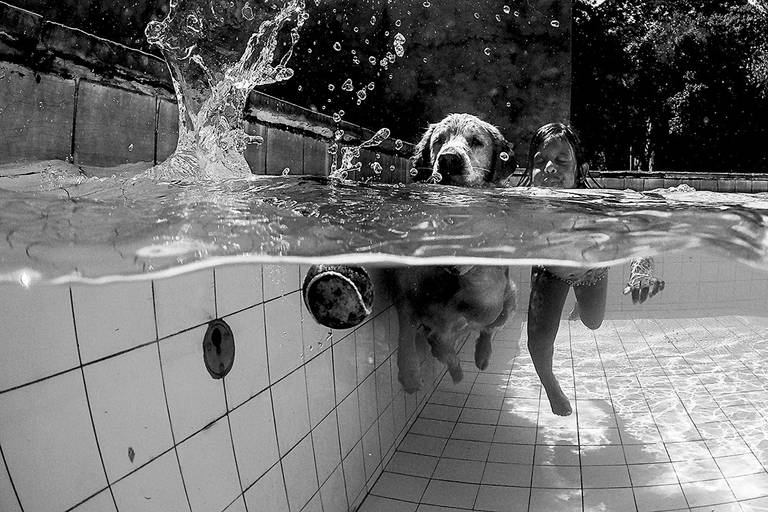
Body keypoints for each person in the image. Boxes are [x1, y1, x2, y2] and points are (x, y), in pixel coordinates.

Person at [521, 123, 664, 416]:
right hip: (550, 272)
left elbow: (641, 223)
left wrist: (641, 266)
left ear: (581, 172)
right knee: (538, 341)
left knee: (593, 322)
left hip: (591, 272)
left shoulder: (595, 206)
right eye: (539, 161)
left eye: (561, 161)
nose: (549, 168)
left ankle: (579, 305)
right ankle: (550, 385)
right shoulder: (523, 204)